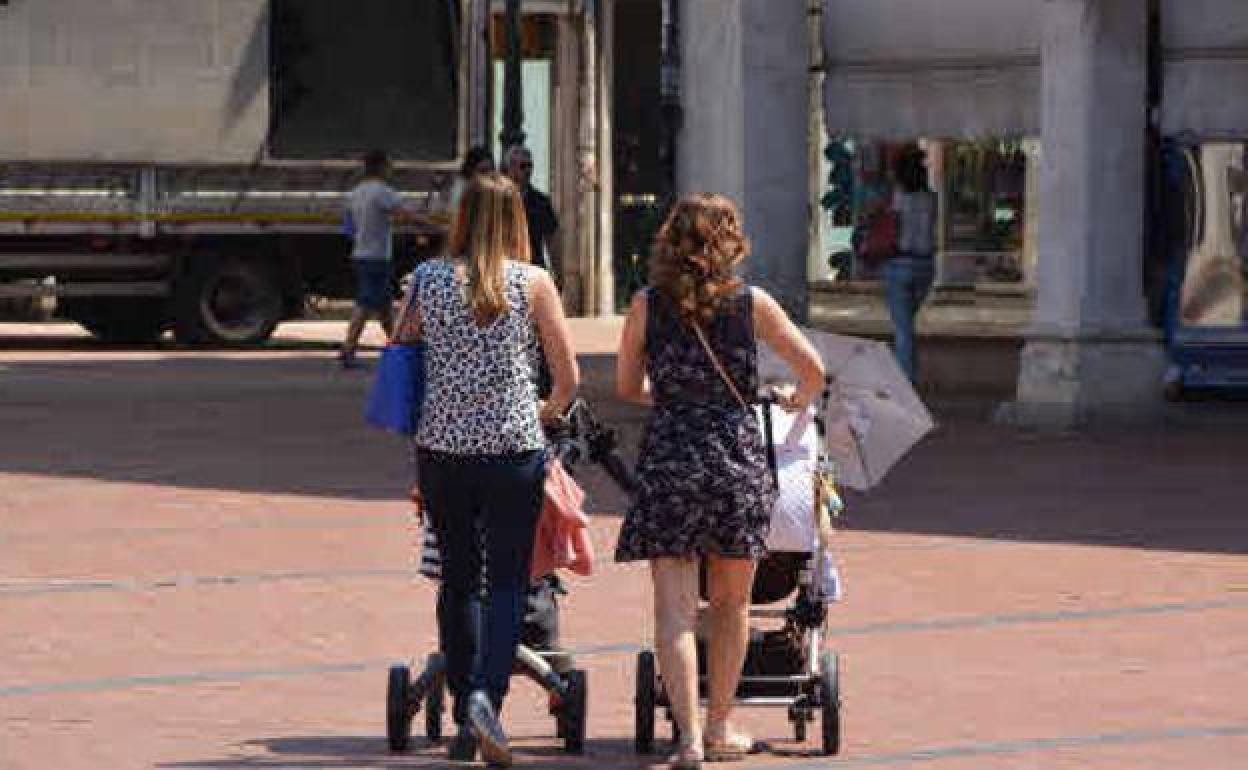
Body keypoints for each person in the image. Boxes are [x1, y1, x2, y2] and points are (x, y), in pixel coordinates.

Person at [614, 194, 825, 770]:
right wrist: (792, 398)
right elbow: (813, 371)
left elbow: (629, 387)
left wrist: (677, 398)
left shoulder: (646, 305)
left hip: (672, 458)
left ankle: (686, 739)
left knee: (675, 610)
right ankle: (720, 725)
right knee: (732, 605)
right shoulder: (752, 303)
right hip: (735, 458)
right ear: (729, 242)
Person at [398, 172, 578, 767]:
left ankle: (460, 705)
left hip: (443, 451)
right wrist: (542, 414)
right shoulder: (533, 283)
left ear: (463, 217)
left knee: (457, 576)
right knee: (507, 581)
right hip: (511, 450)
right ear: (517, 221)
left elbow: (401, 349)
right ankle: (486, 698)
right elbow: (568, 377)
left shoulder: (426, 280)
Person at [339, 149, 418, 369]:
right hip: (378, 256)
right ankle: (349, 347)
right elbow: (405, 214)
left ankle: (396, 346)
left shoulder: (355, 193)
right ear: (381, 167)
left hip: (360, 253)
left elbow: (348, 227)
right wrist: (431, 225)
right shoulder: (384, 192)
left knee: (383, 304)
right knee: (365, 303)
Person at [884, 146, 937, 383]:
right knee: (907, 326)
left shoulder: (898, 197)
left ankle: (905, 379)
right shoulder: (930, 197)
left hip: (899, 263)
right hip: (925, 265)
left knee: (903, 329)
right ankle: (906, 371)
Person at [504, 145, 560, 284]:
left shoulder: (541, 202)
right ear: (511, 168)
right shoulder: (499, 200)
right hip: (506, 270)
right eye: (523, 166)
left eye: (530, 166)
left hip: (533, 269)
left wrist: (558, 273)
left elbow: (551, 241)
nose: (528, 171)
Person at [449, 145, 496, 211]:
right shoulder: (460, 187)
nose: (488, 175)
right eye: (483, 171)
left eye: (490, 170)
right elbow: (454, 211)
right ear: (469, 170)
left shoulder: (492, 187)